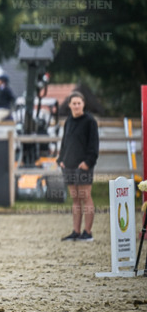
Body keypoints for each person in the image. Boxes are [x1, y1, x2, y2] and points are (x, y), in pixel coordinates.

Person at [58, 91, 99, 241]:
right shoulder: (69, 121)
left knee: (85, 197)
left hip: (83, 165)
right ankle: (76, 231)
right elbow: (64, 142)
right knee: (75, 199)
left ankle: (87, 232)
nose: (76, 106)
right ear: (69, 105)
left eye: (78, 103)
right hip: (68, 165)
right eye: (73, 103)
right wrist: (61, 160)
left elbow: (94, 145)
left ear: (83, 104)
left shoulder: (90, 121)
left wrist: (88, 163)